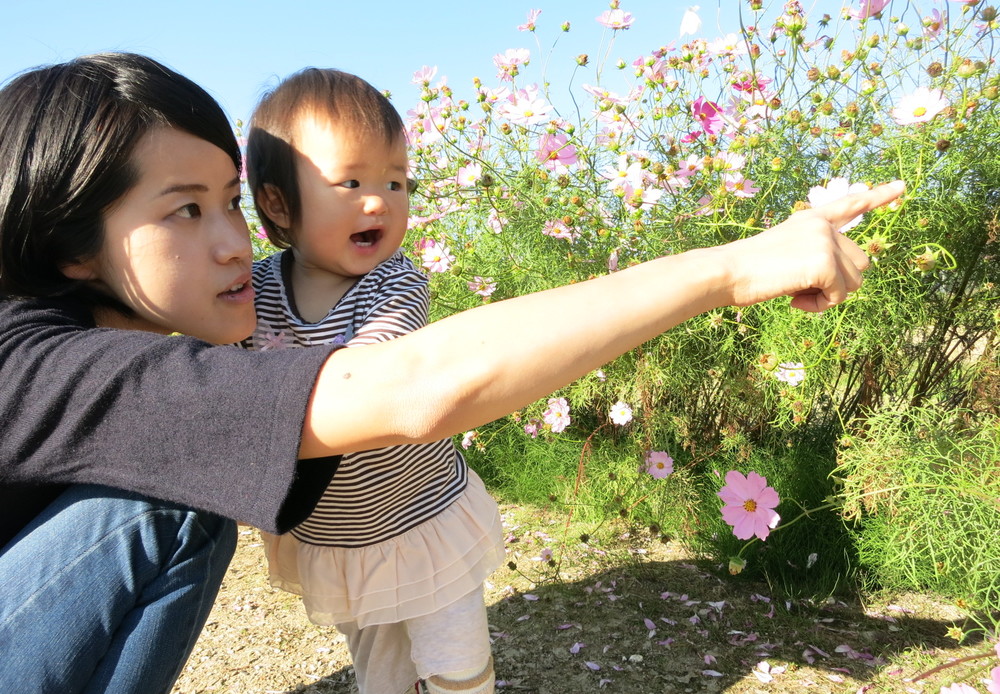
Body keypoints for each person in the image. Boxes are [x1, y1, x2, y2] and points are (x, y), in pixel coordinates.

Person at [0, 51, 903, 694]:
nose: (233, 242)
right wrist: (737, 266)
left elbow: (403, 370)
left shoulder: (378, 289)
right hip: (343, 542)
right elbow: (412, 388)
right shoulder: (36, 363)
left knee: (451, 652)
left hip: (417, 525)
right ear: (69, 244)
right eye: (186, 211)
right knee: (171, 502)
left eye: (229, 202)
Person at [241, 68, 505, 694]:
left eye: (396, 181)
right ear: (278, 203)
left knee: (455, 667)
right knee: (380, 676)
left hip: (421, 518)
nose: (380, 200)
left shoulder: (395, 284)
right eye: (351, 181)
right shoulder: (252, 293)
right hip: (337, 537)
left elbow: (372, 379)